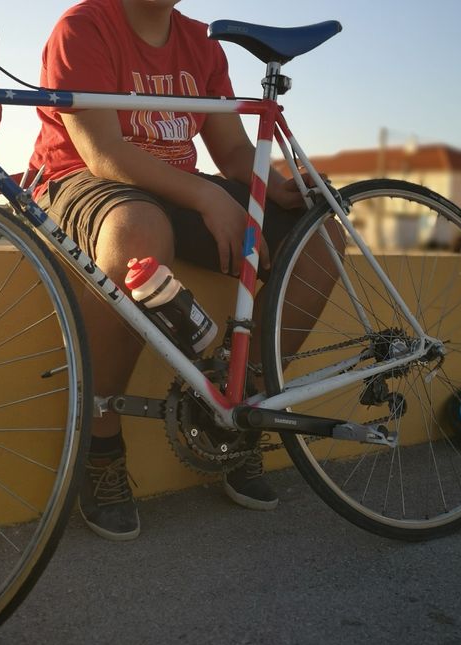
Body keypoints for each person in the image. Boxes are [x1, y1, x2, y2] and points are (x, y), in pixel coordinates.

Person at [29, 0, 319, 541]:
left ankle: (237, 413)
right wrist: (207, 198)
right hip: (79, 178)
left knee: (317, 235)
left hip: (179, 184)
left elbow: (232, 150)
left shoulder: (200, 42)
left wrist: (276, 188)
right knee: (139, 232)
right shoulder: (83, 27)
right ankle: (100, 445)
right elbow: (103, 153)